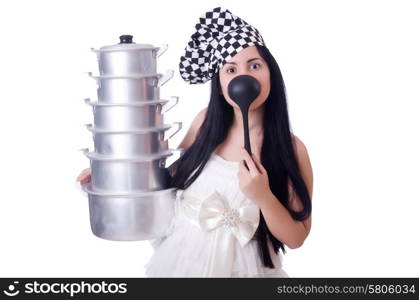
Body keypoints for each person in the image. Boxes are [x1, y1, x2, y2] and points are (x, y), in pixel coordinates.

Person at [76, 7, 313, 277]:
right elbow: (166, 183)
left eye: (254, 65)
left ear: (272, 72)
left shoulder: (293, 150)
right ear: (220, 85)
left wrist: (263, 196)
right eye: (230, 69)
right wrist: (111, 180)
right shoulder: (204, 124)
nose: (243, 76)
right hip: (184, 264)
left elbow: (296, 237)